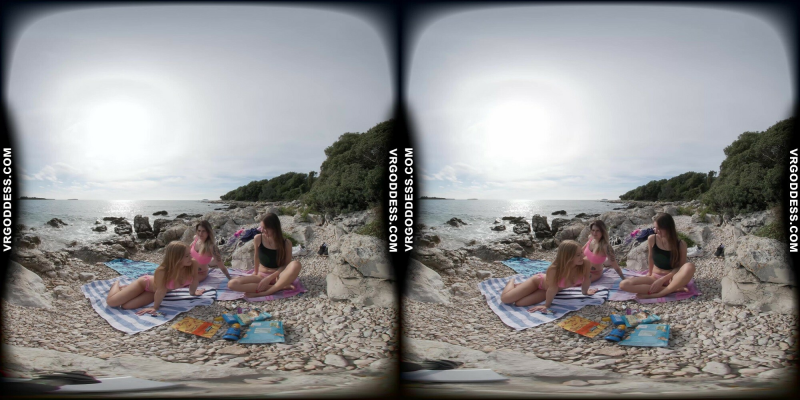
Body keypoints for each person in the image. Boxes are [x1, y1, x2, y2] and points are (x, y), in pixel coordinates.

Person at [106, 241, 204, 314]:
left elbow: (194, 280)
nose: (190, 257)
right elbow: (161, 290)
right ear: (176, 258)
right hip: (145, 284)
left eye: (190, 254)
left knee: (126, 306)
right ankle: (116, 284)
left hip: (154, 292)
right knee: (112, 302)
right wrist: (155, 308)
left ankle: (126, 289)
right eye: (186, 256)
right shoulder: (163, 271)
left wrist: (193, 293)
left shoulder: (192, 264)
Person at [500, 240, 597, 311]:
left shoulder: (585, 263)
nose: (582, 256)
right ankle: (511, 281)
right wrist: (547, 305)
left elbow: (586, 280)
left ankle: (520, 287)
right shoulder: (555, 269)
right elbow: (552, 288)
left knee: (519, 303)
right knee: (506, 299)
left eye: (581, 253)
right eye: (578, 255)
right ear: (568, 257)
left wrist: (586, 292)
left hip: (547, 290)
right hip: (538, 282)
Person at [619, 213, 696, 298]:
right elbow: (651, 257)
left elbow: (681, 267)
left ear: (668, 228)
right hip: (655, 276)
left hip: (672, 278)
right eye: (655, 227)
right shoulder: (652, 239)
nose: (656, 230)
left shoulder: (681, 244)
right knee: (624, 284)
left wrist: (663, 279)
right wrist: (650, 272)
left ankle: (660, 293)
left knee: (689, 266)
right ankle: (671, 289)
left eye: (659, 228)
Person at [227, 213, 302, 297]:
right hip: (261, 275)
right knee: (232, 283)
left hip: (279, 277)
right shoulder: (258, 238)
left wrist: (269, 278)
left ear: (274, 228)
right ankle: (279, 287)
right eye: (261, 227)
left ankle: (267, 292)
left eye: (265, 228)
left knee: (296, 264)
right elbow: (256, 256)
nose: (262, 230)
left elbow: (286, 265)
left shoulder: (286, 243)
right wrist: (255, 272)